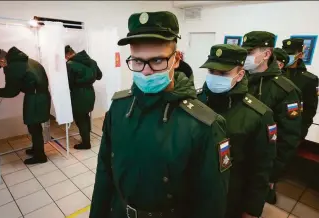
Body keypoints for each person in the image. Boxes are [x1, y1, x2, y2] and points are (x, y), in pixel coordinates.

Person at [90, 11, 230, 218]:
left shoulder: (202, 124)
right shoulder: (120, 108)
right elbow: (104, 173)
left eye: (157, 61)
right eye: (137, 61)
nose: (146, 71)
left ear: (176, 59)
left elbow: (211, 200)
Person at [197, 44, 276, 218]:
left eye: (224, 74)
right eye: (211, 72)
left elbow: (261, 168)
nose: (215, 78)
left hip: (231, 197)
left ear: (240, 75)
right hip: (194, 193)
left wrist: (252, 209)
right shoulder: (195, 102)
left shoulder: (257, 115)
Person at [241, 31, 302, 204]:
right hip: (238, 159)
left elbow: (288, 138)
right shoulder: (240, 78)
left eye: (249, 53)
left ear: (266, 54)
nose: (244, 57)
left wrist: (271, 175)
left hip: (260, 166)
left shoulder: (284, 90)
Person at [0, 47, 51, 165]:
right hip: (40, 96)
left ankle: (40, 156)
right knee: (34, 125)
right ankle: (36, 149)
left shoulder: (12, 67)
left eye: (0, 65)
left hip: (35, 98)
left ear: (1, 61)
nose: (2, 67)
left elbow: (11, 92)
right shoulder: (29, 60)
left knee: (34, 127)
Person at [65, 45, 103, 150]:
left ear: (68, 54)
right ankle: (86, 138)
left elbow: (69, 83)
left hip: (78, 94)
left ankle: (86, 143)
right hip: (90, 93)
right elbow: (99, 76)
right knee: (85, 116)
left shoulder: (70, 64)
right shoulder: (92, 62)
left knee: (80, 118)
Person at [282, 38, 319, 140]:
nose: (287, 56)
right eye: (285, 53)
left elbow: (309, 111)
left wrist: (300, 135)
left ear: (300, 54)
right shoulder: (275, 74)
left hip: (291, 132)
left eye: (291, 53)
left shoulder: (309, 79)